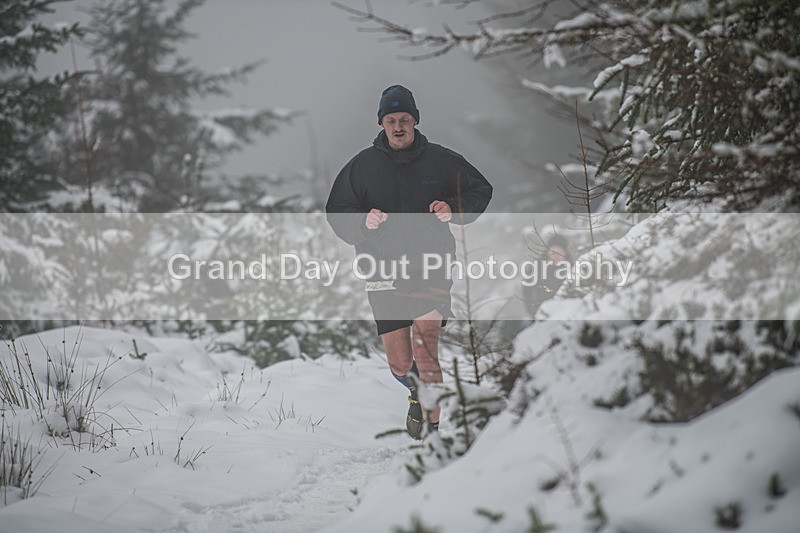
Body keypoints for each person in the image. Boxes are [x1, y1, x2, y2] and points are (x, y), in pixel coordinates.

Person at [325, 85, 492, 439]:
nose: (398, 126)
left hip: (431, 267)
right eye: (391, 120)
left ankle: (434, 436)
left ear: (415, 121)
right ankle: (418, 392)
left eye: (404, 119)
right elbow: (336, 211)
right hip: (382, 272)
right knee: (401, 363)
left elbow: (480, 189)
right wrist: (362, 222)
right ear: (381, 124)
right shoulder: (362, 167)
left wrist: (453, 208)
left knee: (426, 351)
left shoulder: (440, 159)